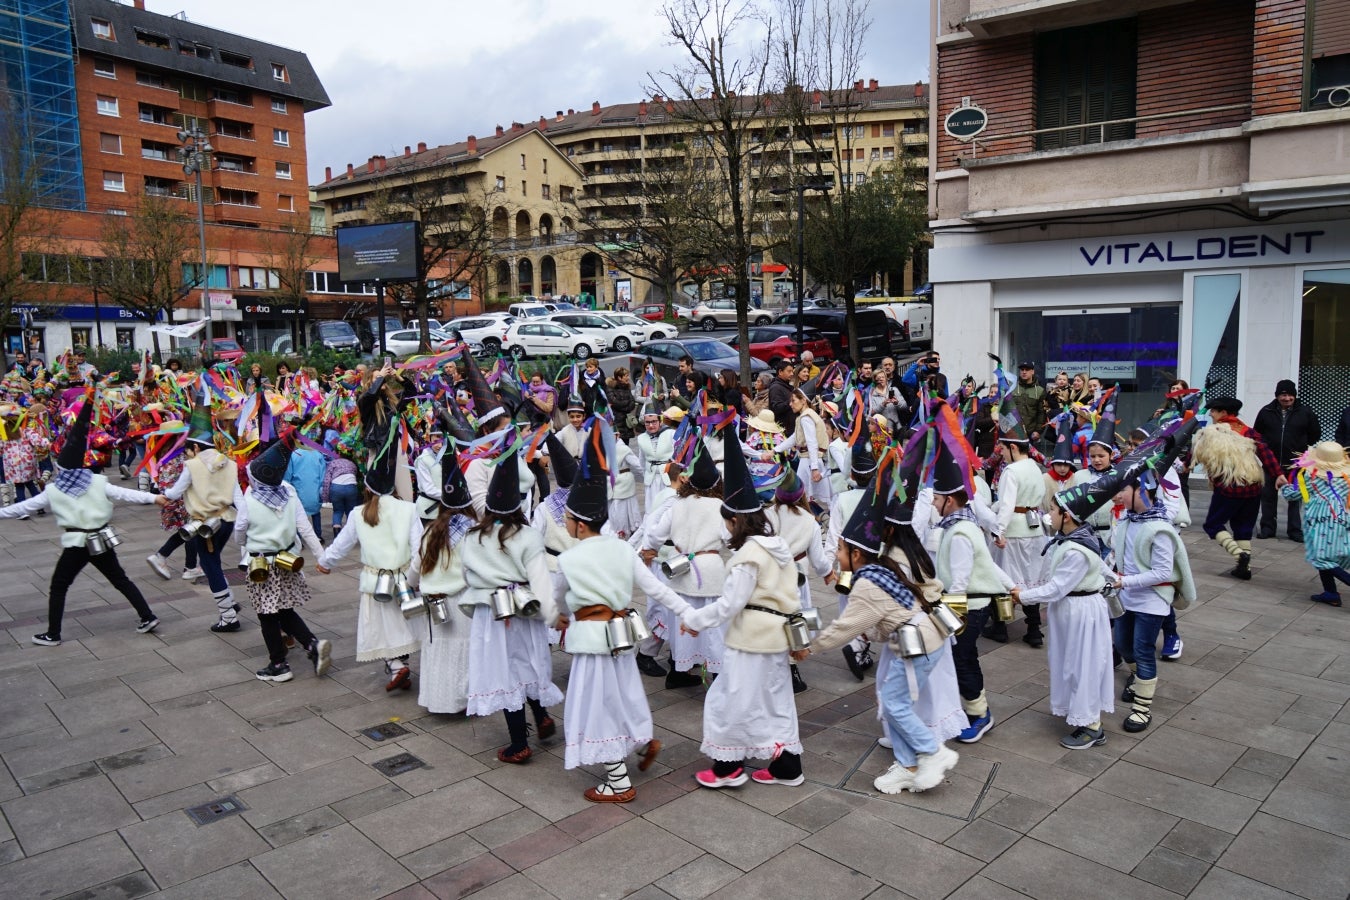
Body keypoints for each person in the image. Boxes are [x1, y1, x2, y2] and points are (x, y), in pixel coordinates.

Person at [664, 437, 807, 789]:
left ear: (735, 522)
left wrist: (693, 620)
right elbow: (792, 600)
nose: (726, 528)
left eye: (727, 522)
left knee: (728, 698)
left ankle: (727, 768)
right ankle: (788, 766)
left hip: (751, 639)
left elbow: (730, 604)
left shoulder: (748, 557)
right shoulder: (779, 549)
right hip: (776, 639)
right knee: (776, 700)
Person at [808, 477, 960, 793]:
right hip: (922, 636)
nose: (836, 554)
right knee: (893, 699)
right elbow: (884, 617)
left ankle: (931, 754)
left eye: (839, 548)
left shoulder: (868, 582)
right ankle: (909, 764)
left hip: (917, 641)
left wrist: (808, 648)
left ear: (857, 553)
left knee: (896, 702)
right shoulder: (892, 561)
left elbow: (843, 629)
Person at [554, 421, 671, 802]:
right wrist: (696, 614)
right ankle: (640, 739)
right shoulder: (622, 549)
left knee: (594, 704)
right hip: (622, 634)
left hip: (591, 641)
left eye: (567, 518)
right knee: (626, 693)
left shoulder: (570, 559)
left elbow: (554, 600)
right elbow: (655, 588)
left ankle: (618, 780)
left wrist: (554, 618)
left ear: (577, 522)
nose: (564, 523)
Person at [1, 392, 167, 645]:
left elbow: (22, 507)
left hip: (78, 543)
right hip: (101, 538)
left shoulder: (54, 490)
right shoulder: (97, 481)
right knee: (120, 579)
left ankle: (53, 634)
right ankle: (148, 615)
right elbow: (125, 493)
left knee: (59, 586)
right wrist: (153, 498)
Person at [458, 446, 562, 763]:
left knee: (504, 673)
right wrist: (553, 616)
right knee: (525, 664)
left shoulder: (471, 537)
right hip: (525, 611)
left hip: (490, 614)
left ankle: (519, 743)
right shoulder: (529, 535)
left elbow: (465, 574)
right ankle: (541, 716)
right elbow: (541, 581)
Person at [1012, 480, 1116, 749]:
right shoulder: (1074, 539)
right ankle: (1081, 714)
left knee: (1084, 664)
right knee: (1071, 663)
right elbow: (1101, 567)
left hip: (1081, 612)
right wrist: (1114, 577)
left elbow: (1057, 588)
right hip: (1071, 611)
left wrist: (1023, 596)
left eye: (1054, 511)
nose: (1050, 515)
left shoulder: (1075, 549)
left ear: (1067, 516)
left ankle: (1092, 725)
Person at [315, 448, 422, 692]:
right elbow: (419, 548)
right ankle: (400, 666)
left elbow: (341, 544)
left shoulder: (358, 513)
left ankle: (396, 666)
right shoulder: (409, 509)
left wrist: (325, 562)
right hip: (405, 579)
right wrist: (417, 577)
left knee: (381, 627)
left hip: (375, 582)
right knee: (401, 624)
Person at [931, 440, 1015, 744]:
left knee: (962, 657)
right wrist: (1011, 585)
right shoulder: (963, 525)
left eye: (937, 498)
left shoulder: (961, 532)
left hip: (968, 605)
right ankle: (967, 709)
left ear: (950, 501)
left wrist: (950, 622)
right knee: (961, 658)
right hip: (967, 604)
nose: (933, 503)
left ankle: (981, 715)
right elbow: (989, 565)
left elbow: (961, 581)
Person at [234, 436, 331, 683]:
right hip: (287, 562)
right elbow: (305, 528)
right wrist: (322, 557)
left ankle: (278, 664)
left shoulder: (249, 500)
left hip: (262, 567)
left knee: (267, 616)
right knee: (285, 610)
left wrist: (243, 542)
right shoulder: (288, 494)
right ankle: (311, 645)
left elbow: (240, 531)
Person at [1111, 469, 1196, 733]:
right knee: (1122, 644)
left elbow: (1161, 572)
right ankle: (1137, 678)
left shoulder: (1160, 528)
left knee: (1143, 649)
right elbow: (1118, 555)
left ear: (1142, 491)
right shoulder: (1128, 520)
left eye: (1124, 489)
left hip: (1152, 599)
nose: (1119, 495)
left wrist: (1125, 581)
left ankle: (1142, 709)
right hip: (1127, 596)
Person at [639, 445, 726, 688]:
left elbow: (655, 534)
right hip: (710, 571)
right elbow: (732, 539)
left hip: (680, 569)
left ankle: (679, 672)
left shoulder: (678, 505)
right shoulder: (721, 508)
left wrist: (650, 549)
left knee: (682, 623)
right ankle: (718, 675)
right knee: (713, 625)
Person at [162, 405, 243, 633]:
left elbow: (175, 493)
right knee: (214, 562)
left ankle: (228, 616)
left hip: (204, 524)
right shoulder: (230, 463)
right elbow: (239, 499)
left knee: (210, 566)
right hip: (227, 520)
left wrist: (161, 494)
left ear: (195, 447)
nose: (188, 453)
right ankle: (229, 601)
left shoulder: (192, 465)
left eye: (189, 449)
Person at [1191, 398, 1287, 580]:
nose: (1211, 414)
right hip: (1253, 486)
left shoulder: (1212, 432)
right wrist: (1278, 474)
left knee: (1212, 524)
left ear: (1224, 413)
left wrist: (1184, 465)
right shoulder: (1248, 431)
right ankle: (1245, 568)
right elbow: (1265, 452)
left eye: (1214, 411)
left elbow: (1193, 455)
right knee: (1243, 526)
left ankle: (1238, 555)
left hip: (1229, 486)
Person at [413, 440, 476, 714]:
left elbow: (415, 568)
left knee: (437, 649)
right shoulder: (472, 532)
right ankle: (460, 700)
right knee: (461, 651)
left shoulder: (431, 532)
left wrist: (410, 586)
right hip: (460, 600)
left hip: (433, 600)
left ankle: (437, 699)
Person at [764, 466, 833, 692]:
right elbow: (819, 558)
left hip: (772, 574)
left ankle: (773, 662)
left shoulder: (767, 515)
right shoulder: (809, 521)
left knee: (774, 614)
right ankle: (792, 667)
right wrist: (827, 573)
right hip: (797, 576)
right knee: (796, 617)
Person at [986, 404, 1047, 647]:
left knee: (1005, 580)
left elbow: (1008, 505)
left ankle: (1001, 626)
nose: (1000, 452)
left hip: (1013, 532)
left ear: (1012, 447)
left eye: (1001, 448)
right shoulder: (1034, 466)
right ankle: (1034, 630)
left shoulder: (1011, 471)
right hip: (1035, 530)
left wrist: (997, 531)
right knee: (1030, 578)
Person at [1281, 442, 1350, 606]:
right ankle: (1330, 593)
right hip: (1343, 517)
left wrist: (1284, 487)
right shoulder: (1347, 478)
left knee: (1320, 556)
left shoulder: (1311, 477)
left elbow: (1295, 494)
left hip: (1320, 518)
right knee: (1326, 553)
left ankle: (1342, 584)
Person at [1254, 380, 1321, 542]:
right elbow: (1257, 435)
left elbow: (1315, 434)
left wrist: (1302, 450)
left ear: (1295, 395)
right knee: (1268, 497)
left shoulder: (1305, 412)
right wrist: (1264, 453)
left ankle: (1295, 530)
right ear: (1277, 395)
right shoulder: (1266, 411)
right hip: (1271, 463)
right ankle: (1268, 528)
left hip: (1295, 464)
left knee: (1295, 498)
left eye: (1290, 395)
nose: (1287, 398)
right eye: (1283, 395)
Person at [776, 389, 831, 509]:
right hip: (810, 459)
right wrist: (776, 449)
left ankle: (816, 522)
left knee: (803, 496)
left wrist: (814, 467)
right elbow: (795, 438)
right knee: (806, 497)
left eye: (793, 400)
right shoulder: (807, 415)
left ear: (803, 401)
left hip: (809, 461)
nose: (790, 404)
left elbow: (812, 443)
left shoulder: (806, 417)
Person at [636, 405, 675, 511]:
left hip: (667, 478)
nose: (651, 425)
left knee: (667, 507)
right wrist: (647, 475)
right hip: (651, 479)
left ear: (660, 421)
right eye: (647, 422)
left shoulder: (671, 434)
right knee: (651, 507)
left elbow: (678, 456)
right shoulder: (641, 438)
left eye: (654, 421)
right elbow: (642, 461)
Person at [285, 441, 327, 540]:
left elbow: (288, 475)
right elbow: (323, 475)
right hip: (314, 490)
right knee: (316, 512)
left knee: (297, 514)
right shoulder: (318, 454)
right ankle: (318, 535)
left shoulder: (294, 454)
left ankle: (298, 539)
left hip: (298, 490)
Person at [1011, 362, 1049, 448]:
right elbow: (1007, 409)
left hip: (1031, 433)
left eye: (1027, 370)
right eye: (1022, 370)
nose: (1024, 372)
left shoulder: (1040, 391)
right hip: (1013, 431)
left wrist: (1038, 431)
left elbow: (1041, 413)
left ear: (1032, 371)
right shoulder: (1012, 388)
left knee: (1029, 459)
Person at [768, 359, 797, 433]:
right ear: (780, 372)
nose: (792, 374)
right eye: (789, 371)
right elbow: (776, 408)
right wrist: (793, 401)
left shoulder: (787, 386)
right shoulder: (775, 388)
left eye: (792, 371)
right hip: (783, 429)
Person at [608, 367, 637, 441]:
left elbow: (632, 403)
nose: (628, 378)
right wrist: (627, 403)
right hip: (617, 422)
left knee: (626, 445)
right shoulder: (611, 388)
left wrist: (625, 406)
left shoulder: (627, 387)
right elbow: (615, 403)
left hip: (627, 422)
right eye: (626, 376)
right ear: (619, 377)